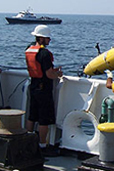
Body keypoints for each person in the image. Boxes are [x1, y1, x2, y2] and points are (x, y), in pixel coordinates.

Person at [25, 25, 63, 157]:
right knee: (44, 119)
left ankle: (28, 142)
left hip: (33, 86)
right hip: (44, 89)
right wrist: (58, 74)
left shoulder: (29, 49)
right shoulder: (45, 54)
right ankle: (42, 146)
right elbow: (48, 74)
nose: (49, 40)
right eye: (47, 38)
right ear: (41, 38)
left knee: (32, 116)